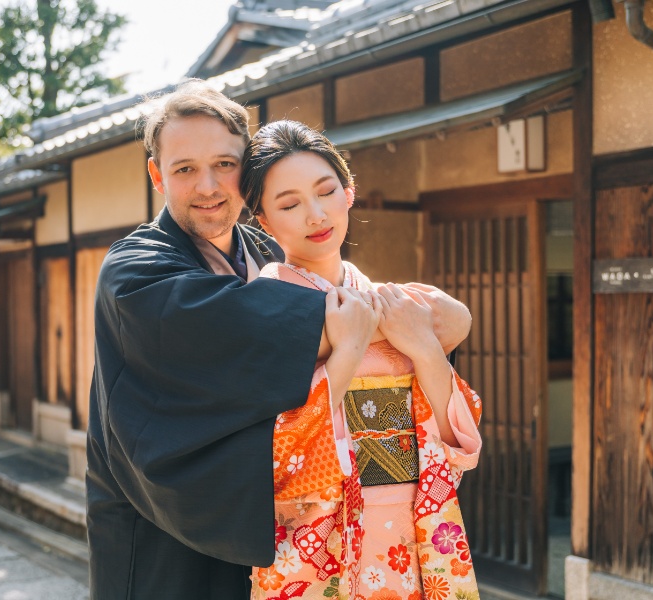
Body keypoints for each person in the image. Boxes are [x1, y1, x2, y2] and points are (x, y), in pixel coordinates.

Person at [84, 80, 471, 599]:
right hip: (169, 530)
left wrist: (395, 325)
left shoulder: (269, 251)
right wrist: (382, 324)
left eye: (224, 164)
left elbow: (447, 321)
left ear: (247, 173)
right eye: (184, 169)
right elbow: (243, 331)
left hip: (284, 526)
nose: (208, 185)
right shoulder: (136, 270)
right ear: (157, 175)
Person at [240, 120, 483, 599]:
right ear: (264, 221)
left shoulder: (384, 299)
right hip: (318, 531)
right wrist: (350, 349)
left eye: (326, 191)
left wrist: (424, 349)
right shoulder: (267, 302)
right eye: (289, 204)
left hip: (407, 523)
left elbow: (457, 441)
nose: (315, 214)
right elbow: (272, 440)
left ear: (348, 192)